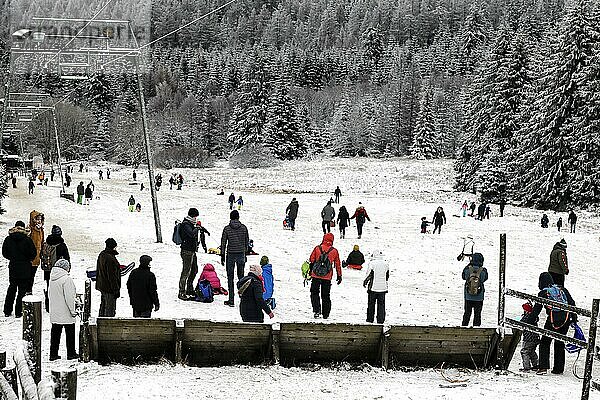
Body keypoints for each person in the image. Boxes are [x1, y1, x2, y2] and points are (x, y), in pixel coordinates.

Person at [531, 272, 577, 375]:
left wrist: (530, 320)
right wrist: (574, 320)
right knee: (560, 342)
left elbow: (536, 310)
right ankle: (558, 369)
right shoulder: (562, 289)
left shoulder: (543, 293)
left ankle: (543, 367)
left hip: (553, 320)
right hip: (566, 319)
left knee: (545, 342)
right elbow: (572, 304)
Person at [2, 221, 36, 318]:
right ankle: (19, 311)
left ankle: (7, 310)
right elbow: (33, 254)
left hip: (13, 266)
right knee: (22, 290)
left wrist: (13, 258)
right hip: (25, 268)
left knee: (11, 288)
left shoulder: (8, 239)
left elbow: (4, 253)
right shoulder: (27, 240)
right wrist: (27, 259)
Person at [48, 259, 78, 361]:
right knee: (70, 334)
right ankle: (71, 353)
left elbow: (49, 295)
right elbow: (69, 297)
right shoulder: (66, 279)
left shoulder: (52, 279)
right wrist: (73, 311)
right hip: (66, 312)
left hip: (56, 311)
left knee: (55, 334)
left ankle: (53, 354)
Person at [308, 233, 342, 319]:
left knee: (314, 293)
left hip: (316, 275)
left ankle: (316, 310)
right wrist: (339, 275)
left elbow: (311, 260)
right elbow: (337, 264)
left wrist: (310, 272)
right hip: (327, 276)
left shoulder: (317, 248)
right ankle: (325, 314)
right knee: (326, 295)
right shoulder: (334, 251)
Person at [221, 210, 250, 307]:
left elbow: (223, 243)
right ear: (238, 217)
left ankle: (231, 300)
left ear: (230, 217)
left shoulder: (227, 229)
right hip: (241, 254)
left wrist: (222, 255)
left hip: (230, 255)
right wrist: (245, 253)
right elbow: (247, 242)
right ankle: (244, 299)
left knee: (230, 277)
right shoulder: (244, 228)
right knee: (241, 278)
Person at [42, 225, 70, 312]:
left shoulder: (46, 243)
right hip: (59, 272)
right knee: (58, 289)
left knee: (49, 287)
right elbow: (66, 258)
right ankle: (56, 306)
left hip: (47, 270)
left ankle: (48, 305)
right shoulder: (62, 245)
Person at [363, 249, 389, 324]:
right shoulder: (386, 264)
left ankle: (370, 319)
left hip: (373, 288)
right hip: (383, 288)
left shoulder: (372, 263)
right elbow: (387, 276)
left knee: (371, 304)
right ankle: (381, 320)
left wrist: (365, 282)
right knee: (381, 305)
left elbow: (368, 275)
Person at [461, 253, 488, 327]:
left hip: (468, 296)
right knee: (477, 314)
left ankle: (464, 328)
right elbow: (485, 279)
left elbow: (463, 277)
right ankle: (476, 329)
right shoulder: (483, 271)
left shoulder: (467, 269)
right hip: (479, 297)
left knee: (467, 313)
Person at [179, 208, 201, 299]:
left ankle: (189, 288)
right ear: (193, 216)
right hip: (186, 251)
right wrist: (196, 228)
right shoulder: (186, 224)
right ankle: (181, 292)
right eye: (196, 216)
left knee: (194, 269)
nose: (196, 218)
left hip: (192, 251)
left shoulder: (190, 224)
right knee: (186, 271)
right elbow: (191, 234)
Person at [96, 238, 121, 317]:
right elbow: (112, 276)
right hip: (109, 288)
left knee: (103, 307)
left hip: (102, 286)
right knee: (109, 310)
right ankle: (107, 327)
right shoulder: (110, 258)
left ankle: (100, 325)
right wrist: (116, 289)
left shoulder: (102, 254)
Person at [519, 302, 540, 372]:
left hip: (528, 338)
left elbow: (520, 323)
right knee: (532, 351)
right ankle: (536, 365)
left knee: (524, 351)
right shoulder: (534, 317)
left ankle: (526, 367)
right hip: (535, 338)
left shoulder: (526, 317)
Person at [28, 210, 45, 292]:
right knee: (28, 277)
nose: (39, 221)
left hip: (36, 258)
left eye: (40, 219)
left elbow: (42, 243)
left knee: (32, 277)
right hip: (29, 259)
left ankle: (29, 291)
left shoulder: (41, 230)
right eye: (37, 219)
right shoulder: (30, 229)